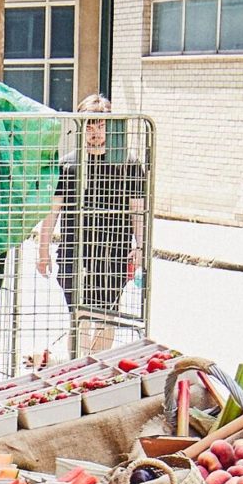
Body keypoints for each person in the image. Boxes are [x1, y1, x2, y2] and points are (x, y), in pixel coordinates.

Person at [37, 94, 148, 354]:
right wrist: (43, 250)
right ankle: (78, 366)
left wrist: (141, 246)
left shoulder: (128, 165)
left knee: (107, 315)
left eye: (100, 125)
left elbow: (138, 210)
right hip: (74, 252)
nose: (95, 132)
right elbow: (52, 211)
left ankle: (96, 366)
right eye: (89, 125)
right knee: (79, 316)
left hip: (114, 251)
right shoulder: (68, 165)